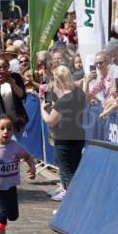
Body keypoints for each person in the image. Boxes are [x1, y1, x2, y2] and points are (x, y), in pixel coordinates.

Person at [40, 66, 87, 198]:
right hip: (78, 135)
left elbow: (50, 121)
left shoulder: (64, 101)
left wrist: (42, 109)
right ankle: (70, 193)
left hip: (64, 138)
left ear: (58, 80)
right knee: (74, 168)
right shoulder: (79, 93)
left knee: (67, 171)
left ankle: (72, 197)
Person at [0, 55, 27, 137]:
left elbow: (22, 95)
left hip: (16, 117)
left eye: (5, 66)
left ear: (8, 66)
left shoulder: (16, 77)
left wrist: (13, 84)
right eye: (0, 67)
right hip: (0, 117)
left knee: (16, 143)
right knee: (1, 144)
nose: (3, 69)